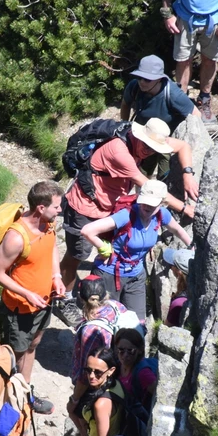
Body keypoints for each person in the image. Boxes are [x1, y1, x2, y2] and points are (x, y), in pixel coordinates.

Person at [57, 119, 200, 326]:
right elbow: (152, 190)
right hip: (86, 206)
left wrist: (187, 174)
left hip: (111, 206)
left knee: (112, 247)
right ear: (138, 137)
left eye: (154, 150)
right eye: (146, 147)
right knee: (77, 254)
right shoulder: (119, 151)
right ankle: (65, 299)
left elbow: (183, 146)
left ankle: (94, 288)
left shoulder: (150, 138)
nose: (149, 152)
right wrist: (186, 209)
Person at [0, 180, 64, 414]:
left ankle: (26, 394)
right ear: (40, 208)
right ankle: (10, 404)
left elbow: (52, 247)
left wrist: (57, 276)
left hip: (43, 303)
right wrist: (27, 293)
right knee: (16, 353)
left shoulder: (48, 226)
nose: (60, 210)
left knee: (33, 345)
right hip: (20, 308)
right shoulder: (16, 237)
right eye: (56, 207)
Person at [79, 180, 193, 321]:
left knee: (138, 324)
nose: (146, 206)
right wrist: (104, 248)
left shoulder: (162, 215)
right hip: (109, 272)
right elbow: (87, 231)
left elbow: (177, 230)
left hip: (136, 275)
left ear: (162, 203)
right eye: (144, 201)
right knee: (105, 319)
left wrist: (192, 245)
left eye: (152, 204)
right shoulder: (126, 215)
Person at [67, 346, 126, 436]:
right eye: (88, 370)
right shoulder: (115, 384)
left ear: (111, 370)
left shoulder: (101, 404)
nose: (92, 376)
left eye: (98, 372)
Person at [120, 54, 201, 132]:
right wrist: (124, 125)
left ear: (159, 79)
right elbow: (125, 104)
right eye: (139, 77)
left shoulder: (173, 94)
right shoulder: (134, 86)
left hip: (166, 138)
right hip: (141, 132)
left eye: (147, 79)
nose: (142, 82)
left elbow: (196, 115)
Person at [112, 328, 157, 413]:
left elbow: (158, 395)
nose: (125, 355)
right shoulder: (117, 365)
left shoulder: (144, 373)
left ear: (140, 350)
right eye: (121, 350)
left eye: (130, 351)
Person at [161, 247, 195, 327]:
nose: (170, 268)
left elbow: (166, 329)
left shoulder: (178, 304)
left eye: (171, 265)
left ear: (179, 272)